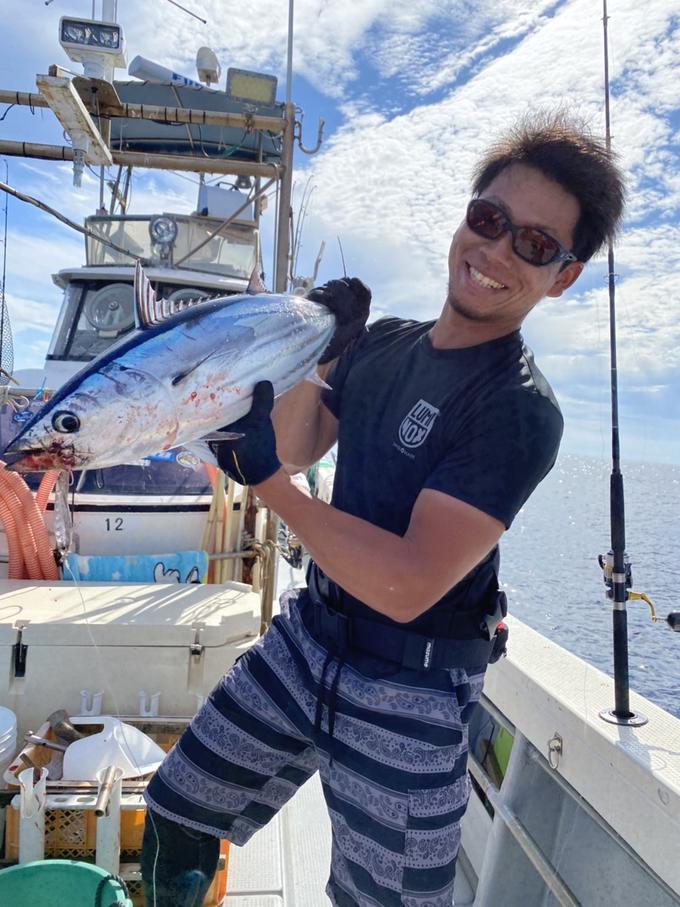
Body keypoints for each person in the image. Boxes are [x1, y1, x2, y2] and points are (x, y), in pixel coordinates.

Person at [141, 111, 625, 906]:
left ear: (563, 276)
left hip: (413, 688)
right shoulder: (387, 342)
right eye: (490, 219)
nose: (497, 250)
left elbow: (406, 582)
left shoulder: (519, 409)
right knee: (176, 808)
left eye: (536, 244)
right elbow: (299, 443)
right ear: (467, 217)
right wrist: (318, 352)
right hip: (309, 637)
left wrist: (270, 486)